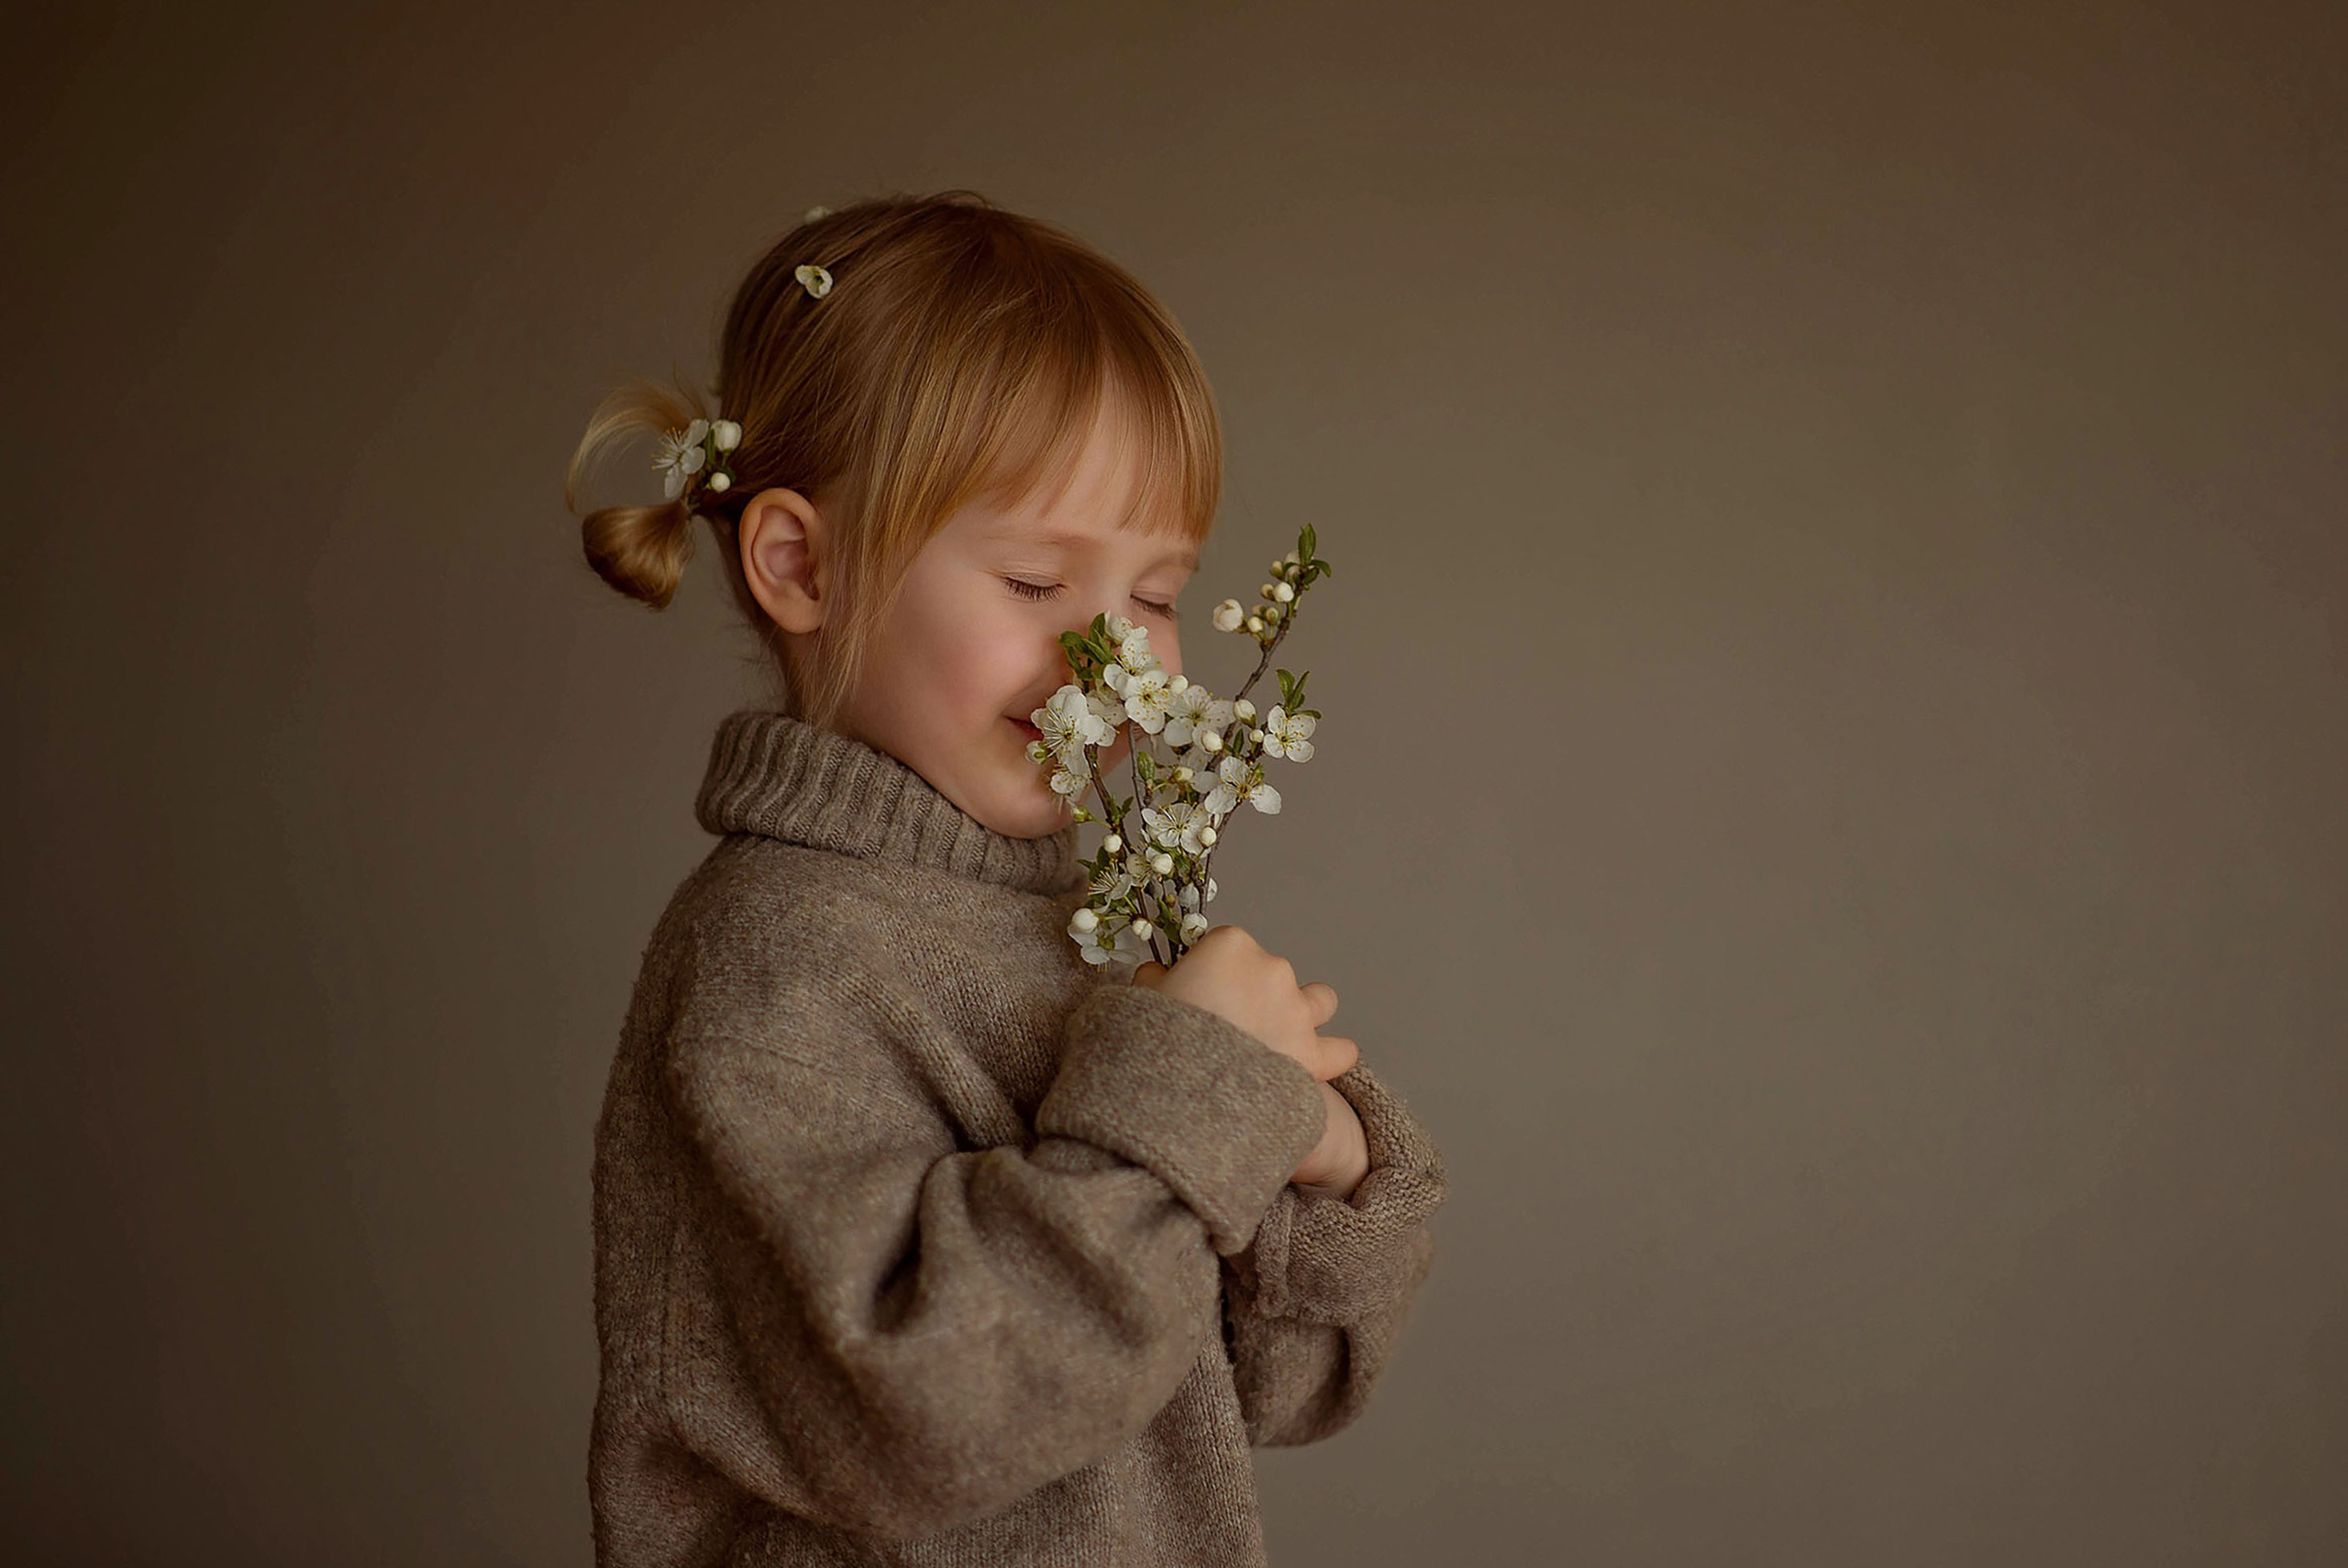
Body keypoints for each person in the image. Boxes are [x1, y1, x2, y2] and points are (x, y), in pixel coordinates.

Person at [564, 190, 1447, 1567]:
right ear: (801, 565)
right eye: (1038, 580)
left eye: (1155, 597)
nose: (1115, 659)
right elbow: (925, 1420)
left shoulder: (1076, 925)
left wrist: (1320, 1173)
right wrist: (1189, 1096)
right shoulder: (778, 956)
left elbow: (1269, 1386)